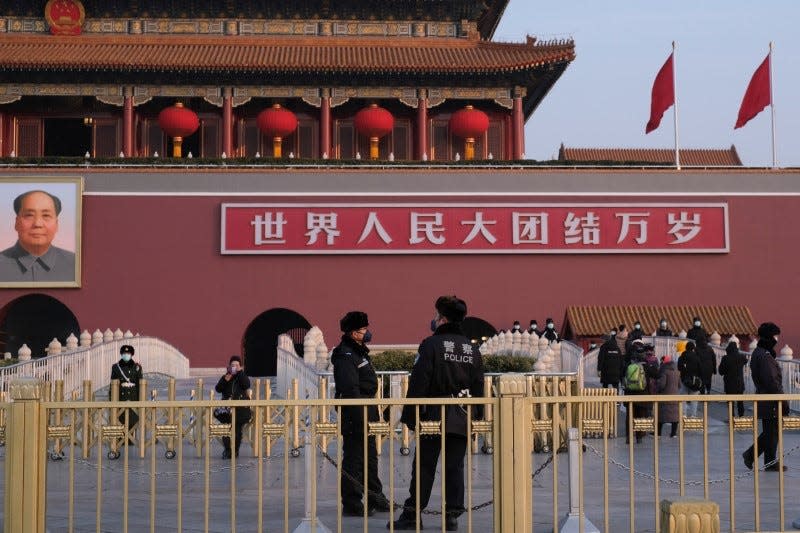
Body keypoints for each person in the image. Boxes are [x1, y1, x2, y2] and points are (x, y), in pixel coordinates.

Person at [392, 296, 484, 531]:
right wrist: (477, 416)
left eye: (436, 316)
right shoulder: (471, 349)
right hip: (461, 414)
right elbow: (478, 385)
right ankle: (452, 515)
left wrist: (411, 416)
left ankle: (413, 514)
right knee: (454, 467)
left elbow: (419, 382)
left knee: (424, 466)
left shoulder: (431, 345)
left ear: (442, 319)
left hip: (432, 414)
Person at [331, 311, 390, 516]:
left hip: (366, 411)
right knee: (354, 460)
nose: (367, 332)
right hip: (355, 414)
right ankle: (352, 503)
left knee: (370, 458)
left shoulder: (358, 352)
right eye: (363, 330)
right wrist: (359, 417)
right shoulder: (346, 354)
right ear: (353, 333)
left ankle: (376, 497)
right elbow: (349, 388)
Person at [0, 190, 76, 282]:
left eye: (46, 215)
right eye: (29, 215)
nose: (37, 224)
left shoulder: (76, 264)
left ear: (56, 224)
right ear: (16, 223)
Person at [742, 322, 788, 472]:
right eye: (775, 336)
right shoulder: (765, 356)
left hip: (765, 398)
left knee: (771, 431)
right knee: (772, 432)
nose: (777, 339)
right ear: (770, 337)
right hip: (770, 400)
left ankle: (768, 461)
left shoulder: (758, 353)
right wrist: (783, 401)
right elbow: (772, 382)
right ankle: (752, 455)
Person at [214, 355, 252, 459]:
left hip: (240, 409)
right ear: (229, 366)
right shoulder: (226, 376)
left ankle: (235, 451)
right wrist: (225, 380)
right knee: (226, 428)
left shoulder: (242, 376)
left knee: (237, 428)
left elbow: (246, 385)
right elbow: (218, 389)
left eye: (236, 365)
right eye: (232, 365)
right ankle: (227, 450)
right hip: (226, 410)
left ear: (240, 366)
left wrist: (240, 372)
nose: (234, 367)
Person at [623, 339, 659, 444]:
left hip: (629, 395)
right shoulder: (646, 366)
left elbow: (623, 376)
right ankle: (639, 437)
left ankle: (628, 437)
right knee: (640, 416)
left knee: (629, 417)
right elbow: (657, 375)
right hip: (643, 395)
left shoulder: (628, 366)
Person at [110, 344, 143, 434]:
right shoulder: (116, 367)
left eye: (128, 353)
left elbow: (140, 385)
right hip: (121, 398)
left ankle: (131, 442)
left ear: (131, 354)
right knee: (121, 421)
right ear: (121, 354)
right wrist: (111, 400)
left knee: (132, 422)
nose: (126, 355)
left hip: (133, 398)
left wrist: (141, 401)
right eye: (124, 353)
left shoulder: (137, 367)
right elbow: (112, 385)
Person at [718, 340, 748, 417]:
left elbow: (721, 371)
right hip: (739, 383)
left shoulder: (725, 358)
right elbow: (746, 361)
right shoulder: (741, 357)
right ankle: (741, 417)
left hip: (729, 383)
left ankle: (732, 417)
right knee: (740, 401)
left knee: (730, 401)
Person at [656, 355, 680, 438]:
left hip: (665, 396)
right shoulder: (677, 372)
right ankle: (673, 433)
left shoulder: (664, 372)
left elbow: (662, 385)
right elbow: (679, 385)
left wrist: (657, 387)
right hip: (675, 396)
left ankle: (658, 433)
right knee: (675, 416)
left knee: (661, 415)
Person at [677, 341, 703, 417]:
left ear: (686, 347)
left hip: (684, 379)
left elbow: (679, 367)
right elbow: (700, 369)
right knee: (694, 399)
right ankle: (693, 415)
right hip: (695, 381)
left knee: (683, 398)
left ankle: (683, 414)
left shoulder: (682, 356)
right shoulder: (697, 357)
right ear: (693, 348)